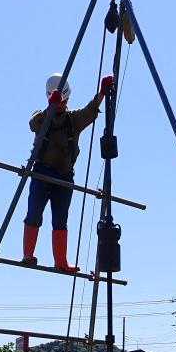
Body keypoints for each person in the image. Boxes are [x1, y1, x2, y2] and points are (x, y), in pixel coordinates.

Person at [22, 72, 114, 271]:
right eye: (59, 100)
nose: (62, 103)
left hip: (64, 175)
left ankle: (61, 261)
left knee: (60, 219)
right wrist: (50, 108)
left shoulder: (73, 120)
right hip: (42, 173)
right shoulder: (42, 117)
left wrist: (101, 93)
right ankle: (28, 255)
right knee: (34, 213)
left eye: (64, 100)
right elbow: (33, 124)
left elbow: (89, 111)